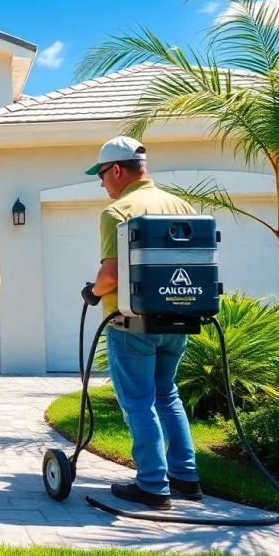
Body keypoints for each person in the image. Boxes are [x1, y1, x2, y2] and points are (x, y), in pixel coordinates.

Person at [81, 135, 202, 510]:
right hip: (178, 321)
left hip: (131, 326)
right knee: (167, 394)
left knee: (138, 402)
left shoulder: (118, 211)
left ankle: (152, 485)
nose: (102, 183)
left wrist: (93, 292)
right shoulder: (181, 204)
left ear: (116, 170)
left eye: (101, 175)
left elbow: (112, 274)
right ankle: (185, 476)